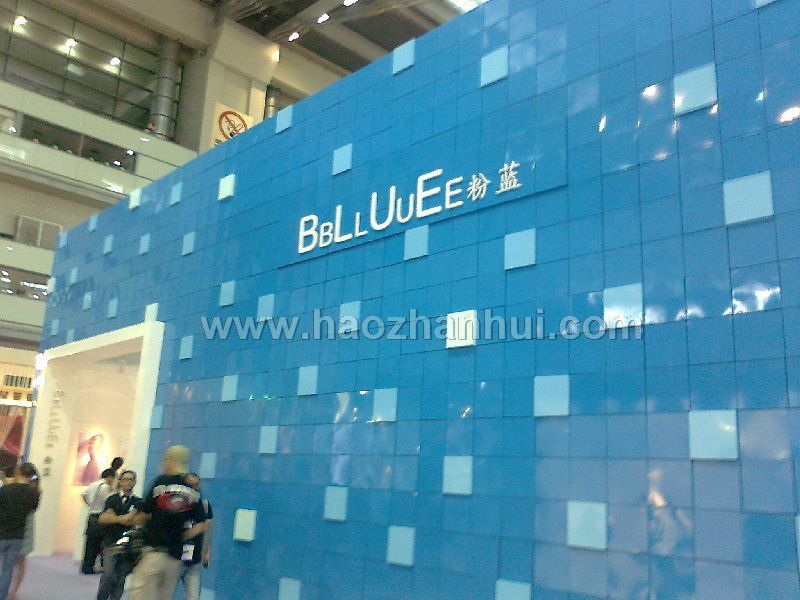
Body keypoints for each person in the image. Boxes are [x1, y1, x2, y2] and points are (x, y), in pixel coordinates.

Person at [127, 446, 207, 600]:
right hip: (176, 559)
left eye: (165, 459)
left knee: (139, 594)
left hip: (154, 553)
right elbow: (202, 524)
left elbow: (143, 514)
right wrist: (181, 536)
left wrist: (130, 520)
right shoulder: (192, 489)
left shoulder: (160, 483)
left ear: (171, 460)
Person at [96, 470, 143, 600]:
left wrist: (115, 518)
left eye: (132, 479)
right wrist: (124, 518)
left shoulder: (139, 502)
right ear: (120, 482)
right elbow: (104, 518)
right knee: (108, 575)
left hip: (128, 545)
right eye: (126, 479)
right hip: (110, 542)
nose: (129, 482)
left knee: (121, 578)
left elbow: (138, 520)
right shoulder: (112, 499)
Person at [0, 462, 40, 600]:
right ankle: (8, 594)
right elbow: (33, 509)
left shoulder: (6, 489)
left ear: (18, 473)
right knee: (11, 568)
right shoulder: (33, 491)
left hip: (5, 531)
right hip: (19, 533)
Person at [179, 473, 212, 600]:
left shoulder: (205, 505)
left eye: (196, 484)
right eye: (190, 484)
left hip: (194, 558)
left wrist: (207, 553)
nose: (193, 487)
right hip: (175, 557)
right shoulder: (175, 504)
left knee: (193, 596)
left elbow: (207, 531)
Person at [81, 468, 117, 574]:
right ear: (110, 477)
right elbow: (110, 500)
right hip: (101, 516)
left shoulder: (93, 484)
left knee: (90, 543)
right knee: (102, 542)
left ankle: (87, 566)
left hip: (91, 515)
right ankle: (102, 566)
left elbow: (84, 495)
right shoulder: (106, 487)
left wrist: (90, 504)